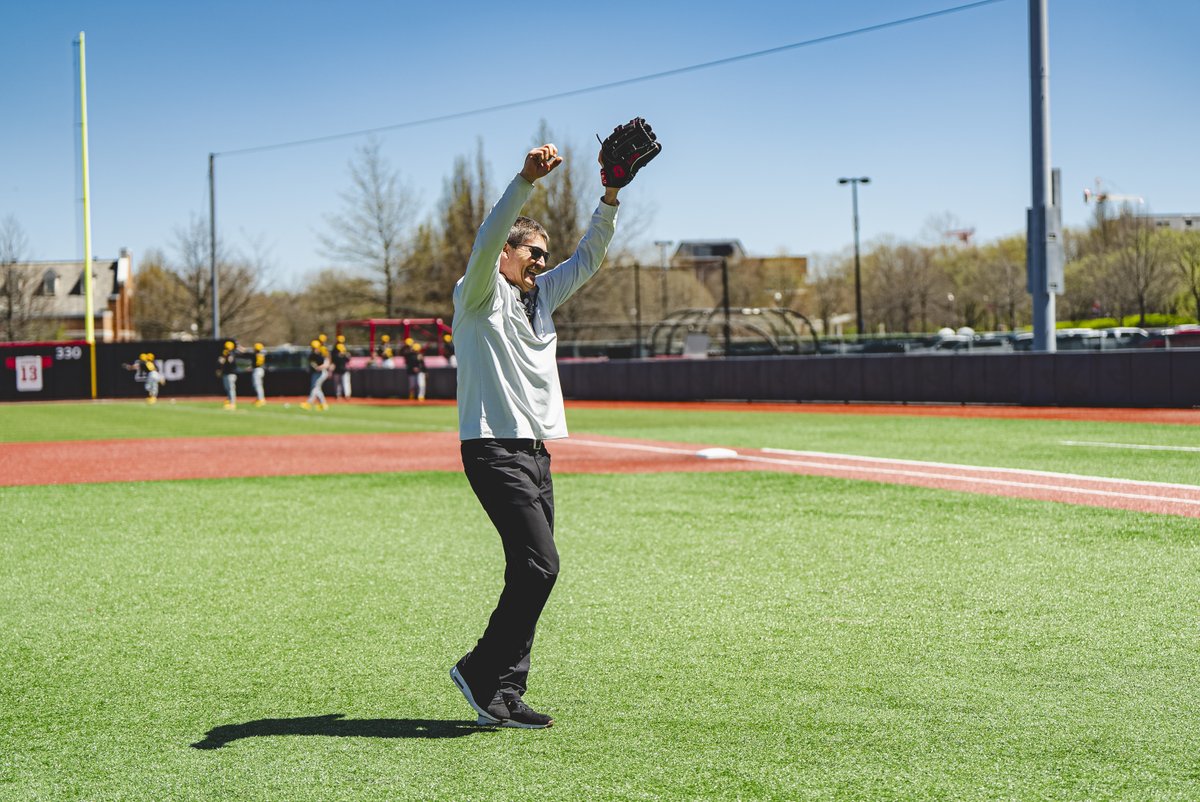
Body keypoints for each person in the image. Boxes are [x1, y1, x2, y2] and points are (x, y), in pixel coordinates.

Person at [448, 142, 630, 729]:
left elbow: (590, 259)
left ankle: (504, 690)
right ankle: (479, 669)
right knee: (540, 565)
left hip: (535, 453)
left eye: (545, 254)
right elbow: (486, 238)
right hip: (491, 447)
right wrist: (524, 181)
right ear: (505, 253)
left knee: (528, 571)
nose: (541, 262)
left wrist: (610, 195)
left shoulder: (541, 297)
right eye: (532, 251)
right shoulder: (478, 295)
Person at [300, 339, 330, 411]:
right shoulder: (312, 355)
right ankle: (323, 404)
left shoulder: (322, 353)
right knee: (317, 389)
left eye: (315, 348)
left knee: (315, 388)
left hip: (322, 373)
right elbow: (312, 364)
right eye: (313, 348)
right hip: (315, 373)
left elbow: (327, 363)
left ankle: (309, 403)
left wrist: (320, 367)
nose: (314, 349)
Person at [217, 340, 238, 410]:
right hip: (226, 373)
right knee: (227, 388)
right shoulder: (225, 353)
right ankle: (229, 401)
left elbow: (230, 361)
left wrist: (225, 357)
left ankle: (232, 403)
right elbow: (222, 363)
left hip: (231, 374)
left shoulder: (232, 353)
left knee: (231, 389)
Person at [251, 343, 267, 407]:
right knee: (259, 385)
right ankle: (260, 399)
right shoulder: (262, 354)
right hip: (261, 370)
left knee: (258, 386)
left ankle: (261, 399)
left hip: (257, 370)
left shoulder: (256, 355)